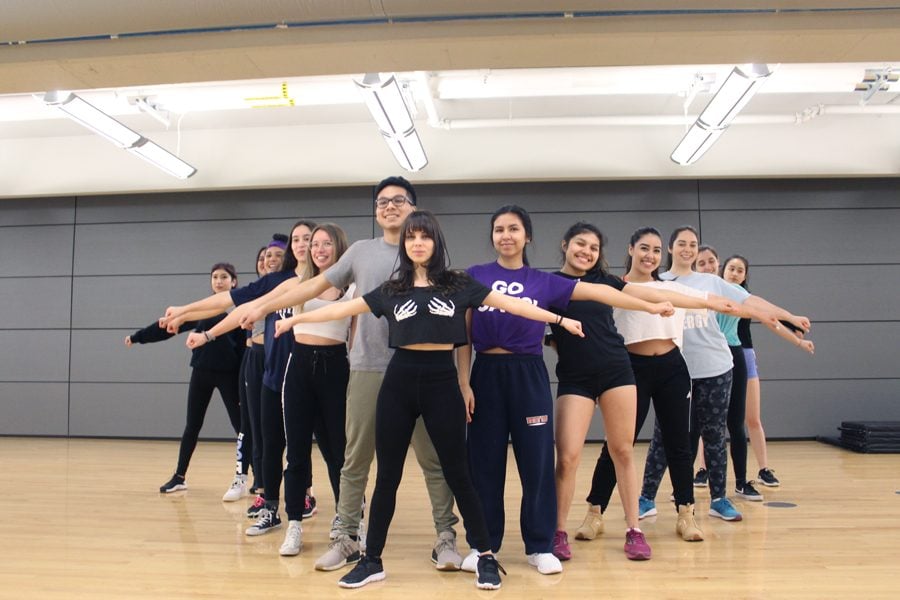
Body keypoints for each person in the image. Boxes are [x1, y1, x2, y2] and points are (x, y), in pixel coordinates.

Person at [285, 210, 584, 590]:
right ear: (405, 245)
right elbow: (345, 308)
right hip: (399, 381)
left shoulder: (457, 284)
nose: (417, 243)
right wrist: (292, 321)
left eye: (424, 237)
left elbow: (513, 305)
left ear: (435, 242)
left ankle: (486, 556)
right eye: (411, 238)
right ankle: (372, 559)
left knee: (459, 473)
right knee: (388, 476)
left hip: (442, 383)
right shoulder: (394, 288)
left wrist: (558, 321)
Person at [236, 177, 462, 572]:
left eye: (398, 200)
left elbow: (458, 321)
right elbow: (313, 286)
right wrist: (261, 309)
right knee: (355, 457)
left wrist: (462, 380)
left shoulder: (427, 257)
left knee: (433, 458)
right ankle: (346, 537)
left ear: (413, 208)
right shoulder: (360, 252)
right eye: (382, 201)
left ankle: (446, 537)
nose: (389, 206)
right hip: (367, 367)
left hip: (421, 372)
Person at [457, 206, 677, 574]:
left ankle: (540, 545)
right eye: (499, 229)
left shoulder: (544, 282)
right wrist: (464, 382)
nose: (506, 235)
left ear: (527, 236)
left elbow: (603, 293)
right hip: (486, 374)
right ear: (492, 236)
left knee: (538, 462)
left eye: (514, 229)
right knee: (484, 465)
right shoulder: (475, 276)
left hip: (528, 374)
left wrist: (650, 305)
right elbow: (463, 334)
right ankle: (483, 546)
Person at [552, 225, 737, 559]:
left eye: (593, 246)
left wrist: (707, 301)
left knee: (666, 443)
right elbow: (631, 299)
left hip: (655, 369)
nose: (587, 251)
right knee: (594, 452)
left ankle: (678, 514)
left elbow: (656, 296)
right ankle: (592, 512)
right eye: (580, 243)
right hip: (617, 368)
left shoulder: (611, 281)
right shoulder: (577, 283)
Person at [639, 226, 810, 523]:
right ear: (670, 248)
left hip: (716, 367)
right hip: (674, 370)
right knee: (664, 435)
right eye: (682, 243)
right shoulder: (658, 281)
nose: (688, 249)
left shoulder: (711, 282)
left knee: (714, 434)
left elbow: (751, 302)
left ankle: (719, 499)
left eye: (693, 244)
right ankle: (646, 497)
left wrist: (788, 316)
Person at [161, 220, 317, 535]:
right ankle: (271, 505)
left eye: (309, 239)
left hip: (309, 372)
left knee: (308, 443)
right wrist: (191, 318)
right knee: (271, 440)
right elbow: (232, 302)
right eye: (297, 239)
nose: (302, 245)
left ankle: (312, 499)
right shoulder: (279, 280)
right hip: (275, 371)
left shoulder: (329, 279)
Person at [268, 223, 353, 556]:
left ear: (338, 246)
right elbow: (256, 302)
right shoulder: (297, 283)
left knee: (338, 451)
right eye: (313, 244)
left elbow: (356, 335)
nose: (318, 249)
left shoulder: (352, 285)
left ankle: (348, 520)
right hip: (300, 366)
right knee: (297, 452)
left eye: (326, 243)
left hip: (336, 367)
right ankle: (294, 524)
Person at [125, 263, 244, 493]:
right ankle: (179, 476)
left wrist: (242, 384)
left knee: (241, 427)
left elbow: (242, 350)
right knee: (192, 425)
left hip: (230, 375)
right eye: (215, 277)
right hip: (202, 372)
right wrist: (138, 337)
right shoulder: (201, 310)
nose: (218, 281)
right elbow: (167, 327)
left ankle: (251, 476)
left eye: (224, 277)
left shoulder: (238, 308)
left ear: (233, 282)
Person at [721, 255, 815, 489]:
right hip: (717, 357)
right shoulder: (714, 295)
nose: (734, 273)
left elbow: (773, 321)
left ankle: (763, 469)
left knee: (752, 417)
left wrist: (798, 341)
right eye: (731, 268)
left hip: (744, 357)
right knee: (712, 420)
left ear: (745, 276)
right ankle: (702, 470)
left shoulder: (749, 301)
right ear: (723, 271)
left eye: (739, 270)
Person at [224, 236, 286, 502]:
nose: (269, 260)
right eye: (264, 257)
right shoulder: (256, 290)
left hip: (281, 357)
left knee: (286, 430)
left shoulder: (289, 285)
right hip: (254, 356)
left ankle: (304, 490)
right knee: (253, 426)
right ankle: (259, 486)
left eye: (274, 255)